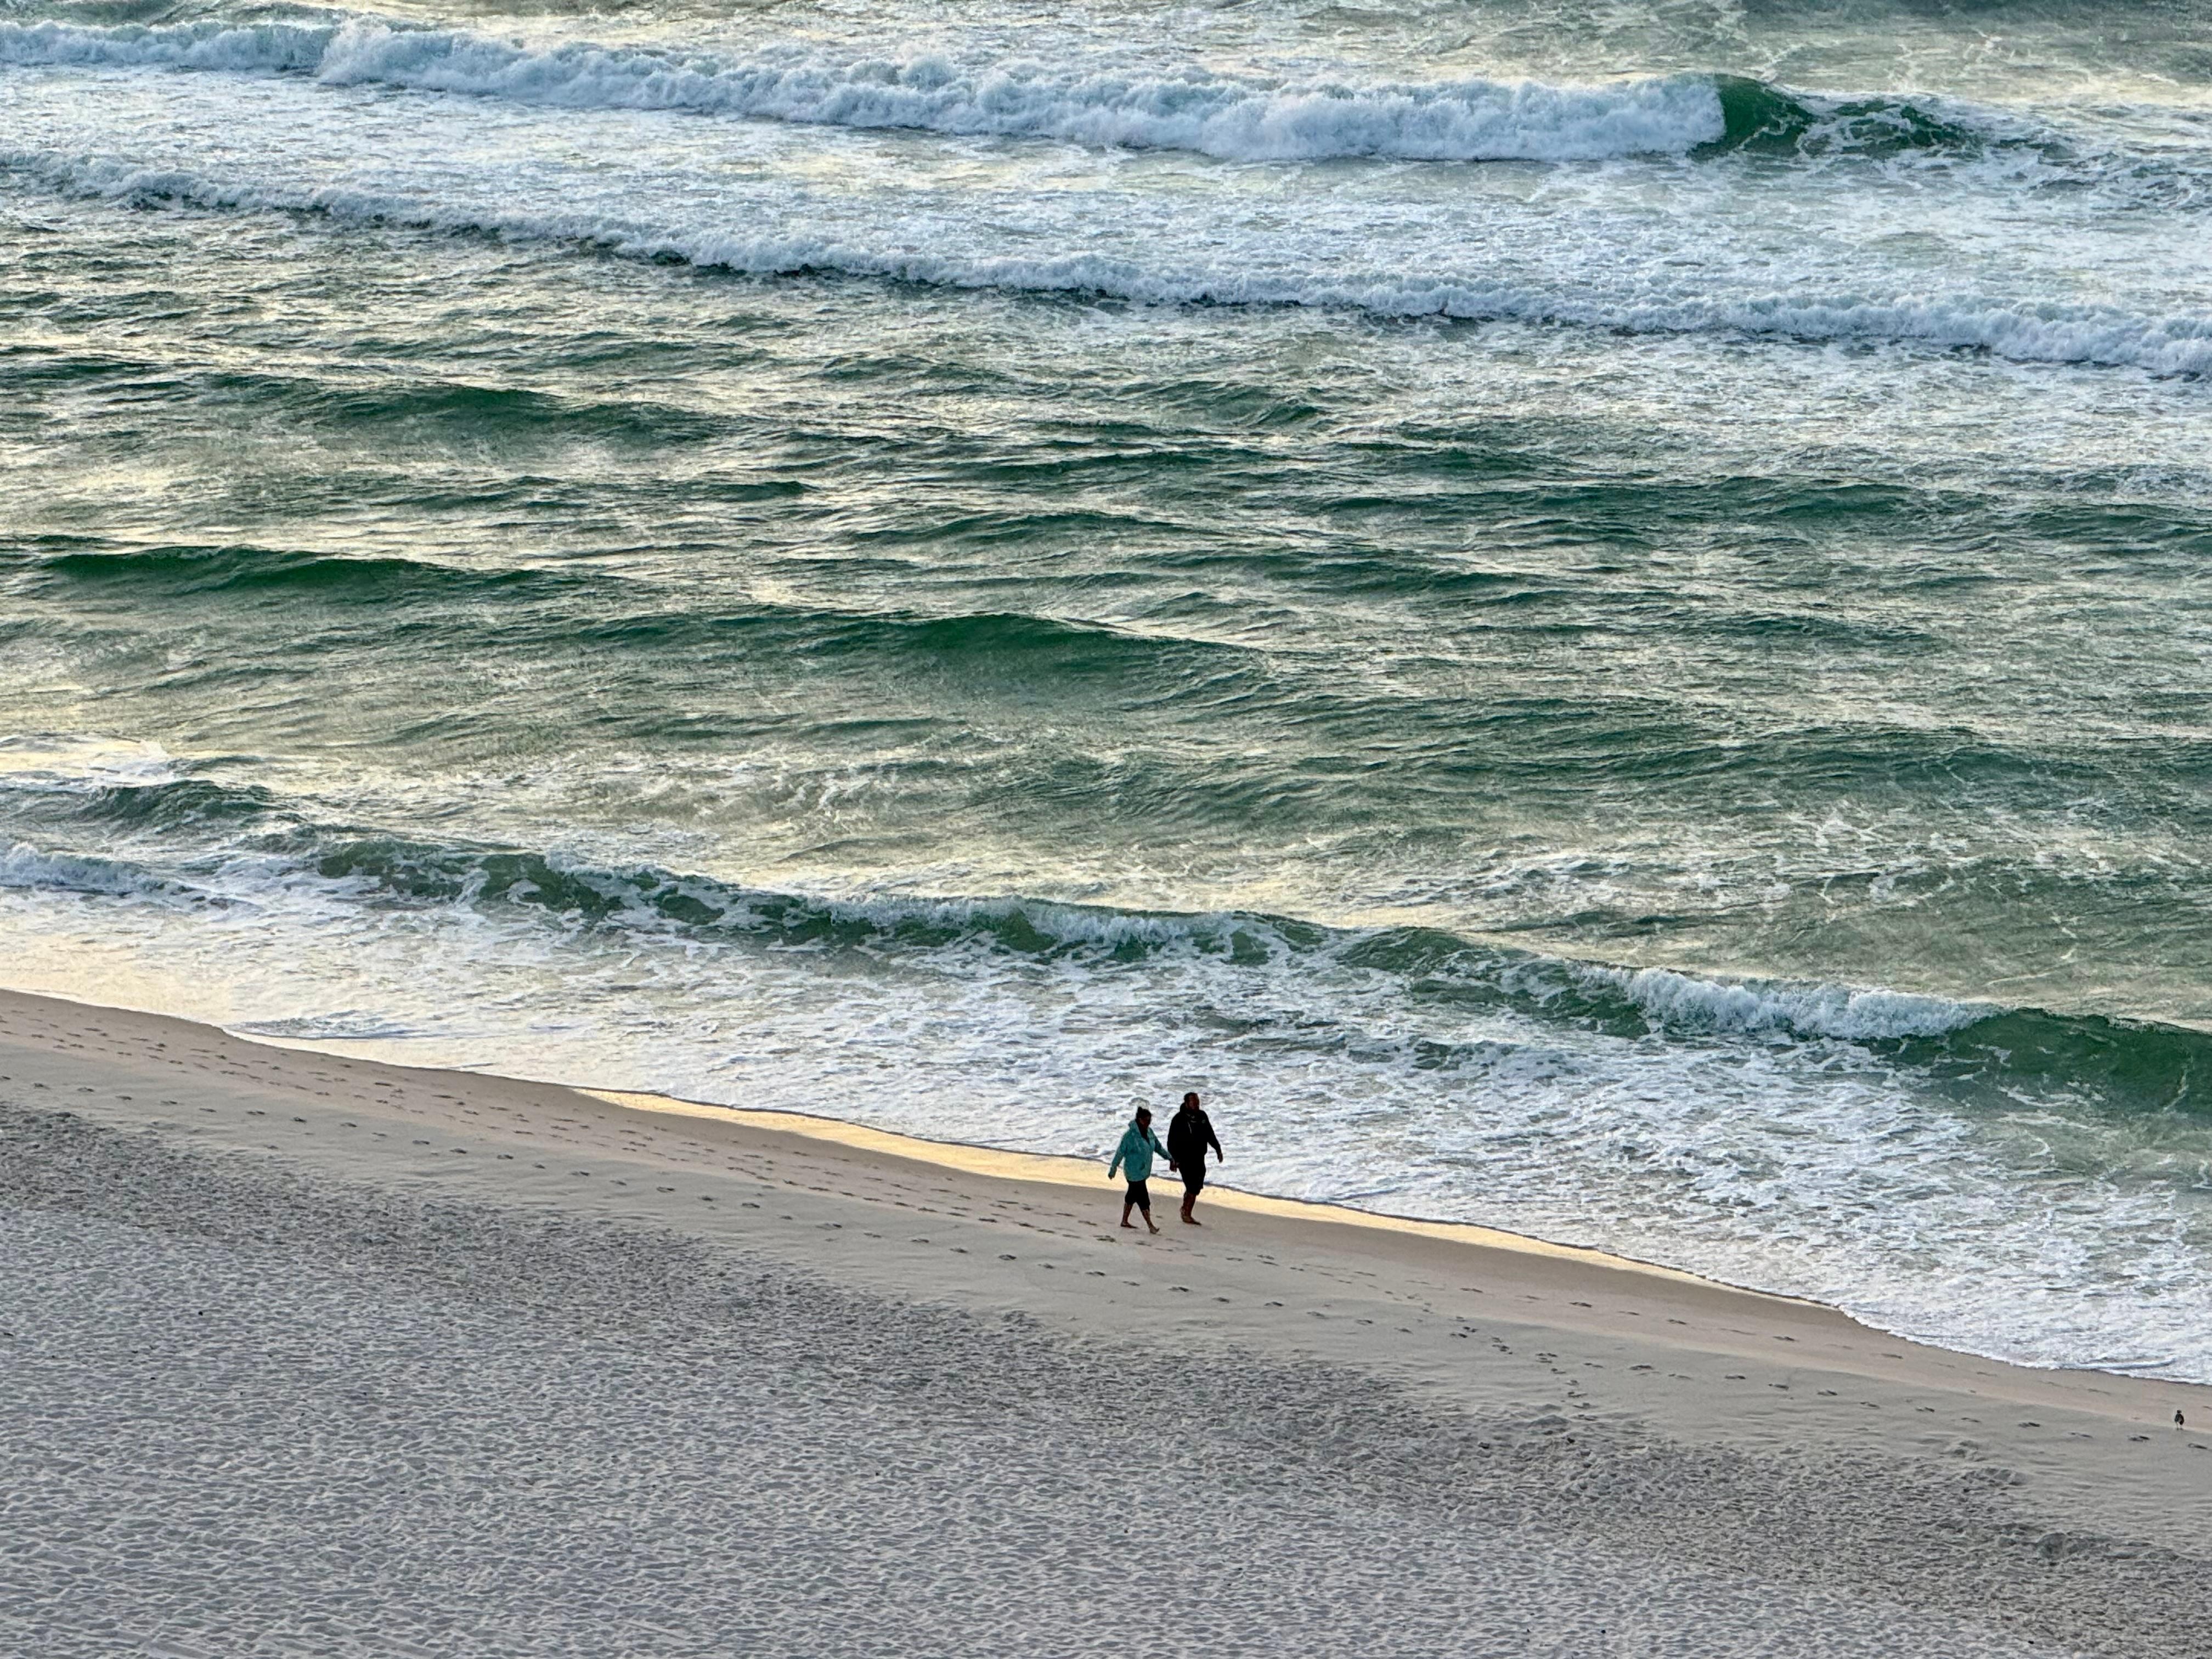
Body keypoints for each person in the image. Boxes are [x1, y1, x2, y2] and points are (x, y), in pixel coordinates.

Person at [1108, 1107, 1170, 1234]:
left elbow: (1158, 1147)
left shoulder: (1150, 1133)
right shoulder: (1129, 1136)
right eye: (1147, 1120)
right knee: (1143, 1199)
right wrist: (1113, 1169)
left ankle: (1124, 1221)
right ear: (1140, 1120)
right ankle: (1151, 1226)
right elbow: (1120, 1153)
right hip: (1133, 1173)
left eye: (1150, 1120)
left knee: (1131, 1196)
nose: (1149, 1123)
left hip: (1143, 1172)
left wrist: (1170, 1158)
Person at [1165, 1091, 1223, 1225]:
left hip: (1199, 1157)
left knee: (1196, 1186)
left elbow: (1210, 1134)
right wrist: (1173, 1159)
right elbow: (1171, 1141)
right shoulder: (1179, 1119)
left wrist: (1218, 1149)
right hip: (1184, 1158)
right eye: (1194, 1102)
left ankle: (1185, 1206)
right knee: (1192, 1186)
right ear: (1187, 1103)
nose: (1197, 1104)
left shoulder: (1202, 1116)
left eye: (1198, 1101)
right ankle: (1187, 1214)